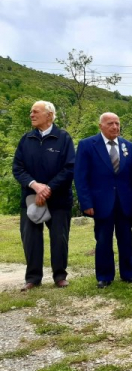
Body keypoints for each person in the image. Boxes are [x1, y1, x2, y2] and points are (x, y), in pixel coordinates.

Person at [74, 112, 132, 288]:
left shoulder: (128, 146)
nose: (115, 127)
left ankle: (129, 273)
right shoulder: (87, 145)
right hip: (100, 202)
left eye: (117, 123)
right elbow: (81, 178)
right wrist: (86, 203)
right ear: (101, 126)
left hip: (125, 202)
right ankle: (104, 276)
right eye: (110, 123)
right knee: (103, 240)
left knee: (126, 239)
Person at [12, 101, 75, 291]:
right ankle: (32, 278)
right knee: (31, 239)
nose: (31, 115)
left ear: (49, 115)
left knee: (59, 238)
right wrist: (35, 186)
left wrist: (48, 189)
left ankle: (59, 276)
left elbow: (69, 168)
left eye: (35, 112)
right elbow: (18, 168)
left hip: (58, 199)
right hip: (31, 199)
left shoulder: (63, 138)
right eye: (31, 112)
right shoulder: (26, 139)